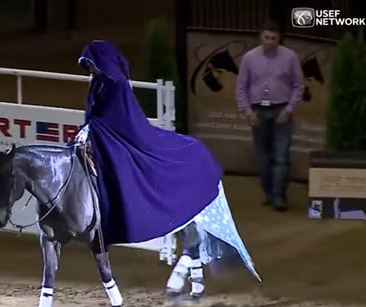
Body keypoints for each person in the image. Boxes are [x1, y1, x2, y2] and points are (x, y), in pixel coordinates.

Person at [73, 40, 261, 288]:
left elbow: (124, 122)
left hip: (121, 137)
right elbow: (92, 114)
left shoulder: (117, 85)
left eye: (92, 66)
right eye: (88, 68)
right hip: (100, 134)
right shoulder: (97, 83)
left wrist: (94, 129)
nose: (90, 72)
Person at [236, 21, 304, 212]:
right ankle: (269, 193)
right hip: (258, 111)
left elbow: (298, 86)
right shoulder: (249, 58)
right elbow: (241, 87)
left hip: (282, 110)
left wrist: (289, 110)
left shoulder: (290, 58)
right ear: (261, 37)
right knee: (263, 156)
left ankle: (279, 196)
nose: (270, 41)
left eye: (274, 38)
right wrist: (248, 112)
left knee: (281, 155)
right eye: (267, 37)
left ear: (279, 38)